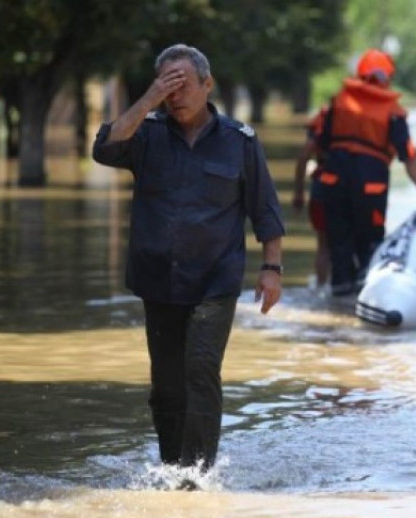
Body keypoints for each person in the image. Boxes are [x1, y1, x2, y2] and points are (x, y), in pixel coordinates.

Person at [91, 44, 285, 476]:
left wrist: (271, 269)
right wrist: (147, 100)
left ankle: (197, 474)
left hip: (215, 280)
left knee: (200, 371)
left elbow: (265, 208)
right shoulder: (146, 133)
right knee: (166, 388)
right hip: (158, 278)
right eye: (168, 86)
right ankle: (172, 466)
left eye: (183, 84)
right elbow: (104, 149)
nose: (176, 95)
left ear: (207, 84)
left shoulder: (239, 141)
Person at [317, 48, 416, 296]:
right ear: (387, 77)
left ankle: (337, 303)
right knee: (369, 243)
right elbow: (409, 156)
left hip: (334, 180)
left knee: (338, 242)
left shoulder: (340, 101)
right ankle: (368, 299)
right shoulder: (391, 110)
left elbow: (321, 144)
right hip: (369, 185)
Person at [292, 105, 330, 288]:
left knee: (323, 245)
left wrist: (299, 193)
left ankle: (322, 290)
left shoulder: (321, 122)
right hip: (354, 188)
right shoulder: (360, 123)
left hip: (322, 186)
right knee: (347, 242)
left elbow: (303, 158)